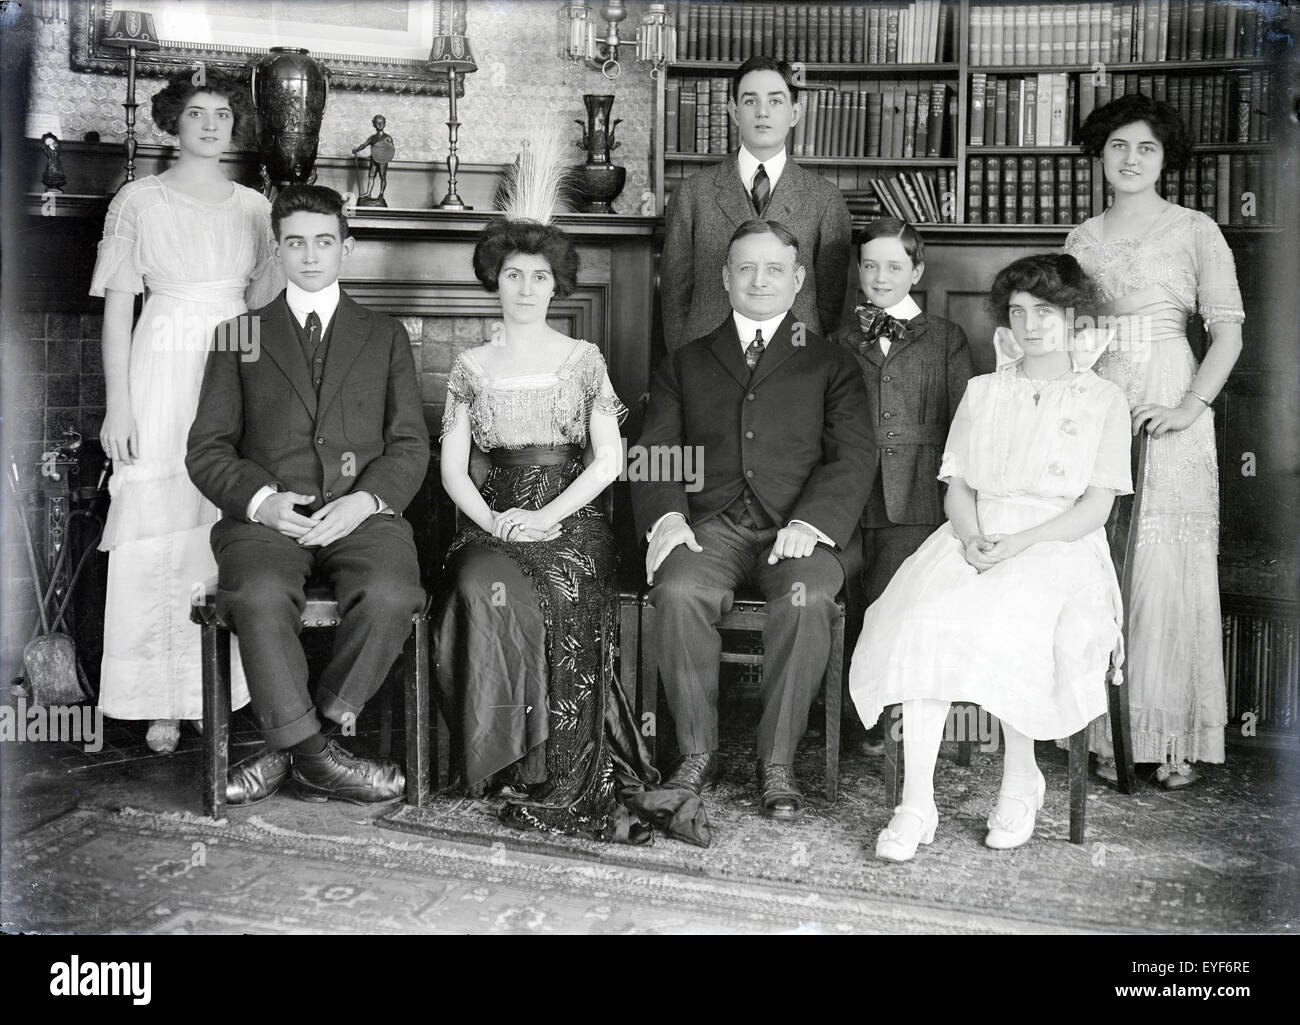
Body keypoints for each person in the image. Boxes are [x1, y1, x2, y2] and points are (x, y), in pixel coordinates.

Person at [848, 254, 1133, 862]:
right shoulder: (983, 391)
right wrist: (973, 537)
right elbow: (958, 486)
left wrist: (1022, 544)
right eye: (1020, 312)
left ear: (1074, 319)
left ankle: (1020, 778)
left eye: (1047, 312)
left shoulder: (1103, 399)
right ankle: (917, 800)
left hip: (1060, 545)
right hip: (976, 535)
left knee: (1013, 618)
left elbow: (1095, 510)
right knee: (924, 617)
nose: (1032, 325)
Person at [186, 185, 428, 806]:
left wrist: (365, 501)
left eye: (325, 242)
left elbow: (408, 445)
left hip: (362, 517)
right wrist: (262, 501)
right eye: (296, 242)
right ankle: (320, 759)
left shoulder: (384, 335)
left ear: (346, 248)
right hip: (267, 522)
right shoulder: (238, 335)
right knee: (260, 594)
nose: (311, 255)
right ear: (278, 249)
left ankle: (296, 744)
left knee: (394, 593)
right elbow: (207, 450)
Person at [633, 218, 873, 827]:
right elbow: (657, 448)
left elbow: (853, 454)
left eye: (774, 269)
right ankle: (696, 752)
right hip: (710, 526)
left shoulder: (831, 363)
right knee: (678, 589)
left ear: (797, 279)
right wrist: (667, 517)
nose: (758, 280)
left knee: (807, 596)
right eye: (745, 267)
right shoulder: (685, 363)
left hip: (798, 530)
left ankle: (777, 761)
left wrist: (814, 522)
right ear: (725, 276)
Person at [434, 218, 659, 844]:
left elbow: (609, 461)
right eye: (513, 276)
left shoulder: (583, 359)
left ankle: (557, 767)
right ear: (494, 282)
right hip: (494, 518)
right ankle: (501, 758)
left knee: (562, 592)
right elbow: (453, 468)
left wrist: (547, 517)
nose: (527, 288)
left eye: (539, 276)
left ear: (557, 284)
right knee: (482, 588)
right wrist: (497, 521)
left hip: (572, 518)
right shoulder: (470, 366)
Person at [91, 68, 281, 754]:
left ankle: (212, 693)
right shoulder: (137, 201)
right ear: (173, 121)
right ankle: (154, 701)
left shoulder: (257, 209)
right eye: (195, 112)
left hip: (231, 364)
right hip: (161, 363)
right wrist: (120, 405)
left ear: (236, 127)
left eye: (222, 114)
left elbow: (267, 305)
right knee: (157, 529)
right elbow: (118, 308)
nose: (209, 124)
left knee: (216, 524)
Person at [1066, 94, 1245, 789]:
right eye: (1117, 147)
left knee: (1167, 563)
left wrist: (1189, 405)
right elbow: (1067, 325)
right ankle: (1110, 729)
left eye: (1146, 148)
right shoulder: (1082, 237)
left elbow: (1227, 332)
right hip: (1101, 392)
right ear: (1100, 156)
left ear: (1166, 157)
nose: (1131, 159)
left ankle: (1172, 736)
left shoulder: (1197, 229)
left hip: (1173, 393)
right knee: (1104, 556)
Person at [830, 217, 974, 756]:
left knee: (897, 601)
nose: (881, 276)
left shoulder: (945, 338)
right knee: (850, 600)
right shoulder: (840, 339)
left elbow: (964, 421)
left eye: (894, 266)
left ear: (917, 270)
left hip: (916, 492)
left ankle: (895, 717)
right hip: (851, 492)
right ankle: (852, 715)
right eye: (870, 266)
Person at [660, 55, 852, 351]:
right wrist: (684, 362)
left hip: (795, 356)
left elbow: (830, 302)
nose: (762, 112)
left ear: (795, 113)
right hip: (708, 357)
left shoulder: (825, 198)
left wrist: (812, 358)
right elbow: (675, 295)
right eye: (750, 102)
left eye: (775, 102)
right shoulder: (692, 193)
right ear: (734, 112)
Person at [351, 115, 394, 205]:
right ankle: (368, 194)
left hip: (383, 160)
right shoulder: (373, 137)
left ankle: (381, 194)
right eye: (377, 122)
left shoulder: (387, 137)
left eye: (381, 122)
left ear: (384, 123)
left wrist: (384, 156)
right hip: (373, 160)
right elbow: (364, 144)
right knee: (371, 176)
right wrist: (357, 150)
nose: (379, 124)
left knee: (382, 176)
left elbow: (390, 150)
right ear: (374, 124)